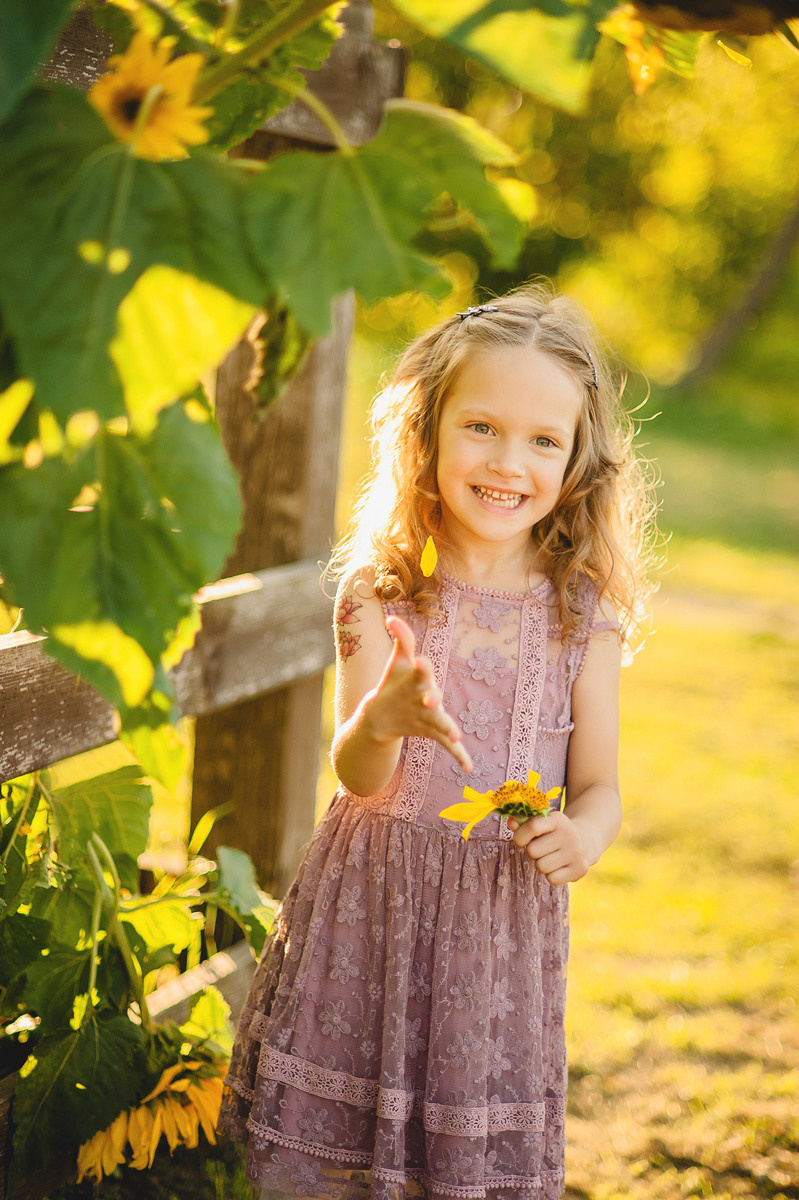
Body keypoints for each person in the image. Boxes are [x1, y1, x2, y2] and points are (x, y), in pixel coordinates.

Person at [219, 284, 657, 1200]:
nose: (509, 461)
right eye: (481, 427)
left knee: (454, 1162)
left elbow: (602, 784)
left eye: (544, 440)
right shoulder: (381, 595)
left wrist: (582, 836)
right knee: (337, 1153)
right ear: (426, 432)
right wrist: (381, 720)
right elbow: (357, 777)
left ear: (579, 460)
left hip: (498, 923)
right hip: (371, 905)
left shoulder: (583, 617)